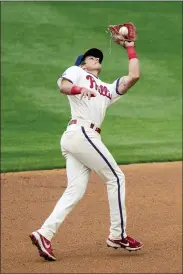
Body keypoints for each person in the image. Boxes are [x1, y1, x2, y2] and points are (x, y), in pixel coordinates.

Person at [29, 41, 143, 261]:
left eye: (97, 57)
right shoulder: (76, 72)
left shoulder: (107, 89)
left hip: (80, 138)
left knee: (75, 190)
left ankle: (44, 234)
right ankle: (117, 234)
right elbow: (63, 86)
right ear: (82, 65)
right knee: (116, 177)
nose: (95, 59)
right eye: (90, 58)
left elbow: (133, 77)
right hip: (82, 133)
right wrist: (80, 88)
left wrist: (130, 48)